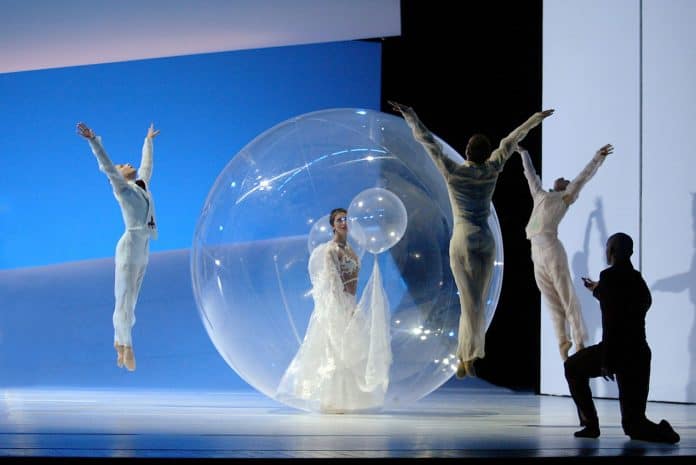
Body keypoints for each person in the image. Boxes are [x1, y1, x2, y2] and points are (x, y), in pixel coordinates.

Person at [389, 101, 553, 378]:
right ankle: (468, 353)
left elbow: (428, 142)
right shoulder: (492, 169)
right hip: (485, 239)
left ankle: (467, 354)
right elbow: (510, 141)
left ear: (467, 152)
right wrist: (536, 118)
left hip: (464, 239)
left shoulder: (454, 172)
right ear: (486, 153)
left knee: (470, 303)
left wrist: (410, 115)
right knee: (477, 302)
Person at [565, 233, 680, 443]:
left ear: (611, 252)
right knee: (634, 425)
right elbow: (633, 301)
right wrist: (598, 289)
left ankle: (590, 424)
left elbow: (611, 320)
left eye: (607, 248)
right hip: (639, 353)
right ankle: (664, 431)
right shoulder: (636, 279)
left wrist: (607, 361)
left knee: (572, 367)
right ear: (631, 252)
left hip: (616, 350)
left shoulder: (609, 277)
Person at [277, 208, 392, 413]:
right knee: (336, 351)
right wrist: (340, 308)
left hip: (351, 303)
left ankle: (351, 400)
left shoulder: (351, 251)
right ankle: (332, 400)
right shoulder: (330, 251)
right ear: (333, 225)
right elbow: (332, 282)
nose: (344, 223)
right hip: (338, 305)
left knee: (352, 349)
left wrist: (352, 306)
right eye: (339, 220)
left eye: (346, 219)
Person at [76, 122, 160, 372]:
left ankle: (119, 339)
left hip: (143, 248)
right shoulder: (121, 189)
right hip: (129, 247)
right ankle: (127, 346)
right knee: (123, 299)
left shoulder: (142, 186)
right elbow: (107, 166)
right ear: (119, 174)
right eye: (122, 165)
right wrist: (94, 141)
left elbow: (146, 166)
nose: (127, 164)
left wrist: (148, 141)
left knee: (131, 301)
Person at [518, 143, 613, 361]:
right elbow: (530, 175)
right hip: (535, 252)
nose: (563, 178)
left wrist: (597, 158)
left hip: (551, 248)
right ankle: (563, 341)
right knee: (551, 300)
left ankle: (579, 341)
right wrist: (524, 152)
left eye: (566, 180)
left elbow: (583, 177)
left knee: (566, 296)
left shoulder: (565, 197)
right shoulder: (540, 194)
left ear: (566, 187)